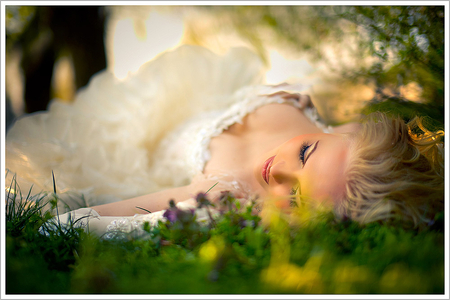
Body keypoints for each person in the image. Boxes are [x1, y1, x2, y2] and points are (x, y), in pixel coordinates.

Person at [5, 45, 444, 238]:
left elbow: (73, 223)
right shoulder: (294, 103)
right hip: (166, 103)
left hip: (132, 150)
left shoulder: (229, 192)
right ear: (342, 131)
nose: (279, 171)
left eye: (295, 196)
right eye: (306, 153)